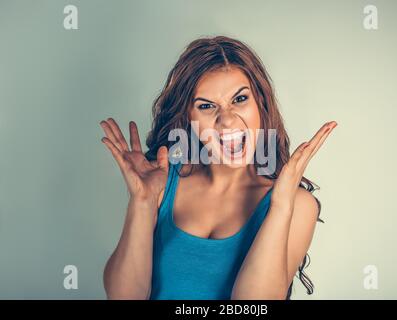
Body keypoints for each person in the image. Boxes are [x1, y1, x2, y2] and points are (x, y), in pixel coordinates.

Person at [99, 36, 337, 300]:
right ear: (189, 118)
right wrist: (142, 202)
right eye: (206, 106)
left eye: (240, 99)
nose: (226, 120)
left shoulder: (296, 205)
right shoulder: (162, 183)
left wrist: (280, 207)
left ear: (261, 102)